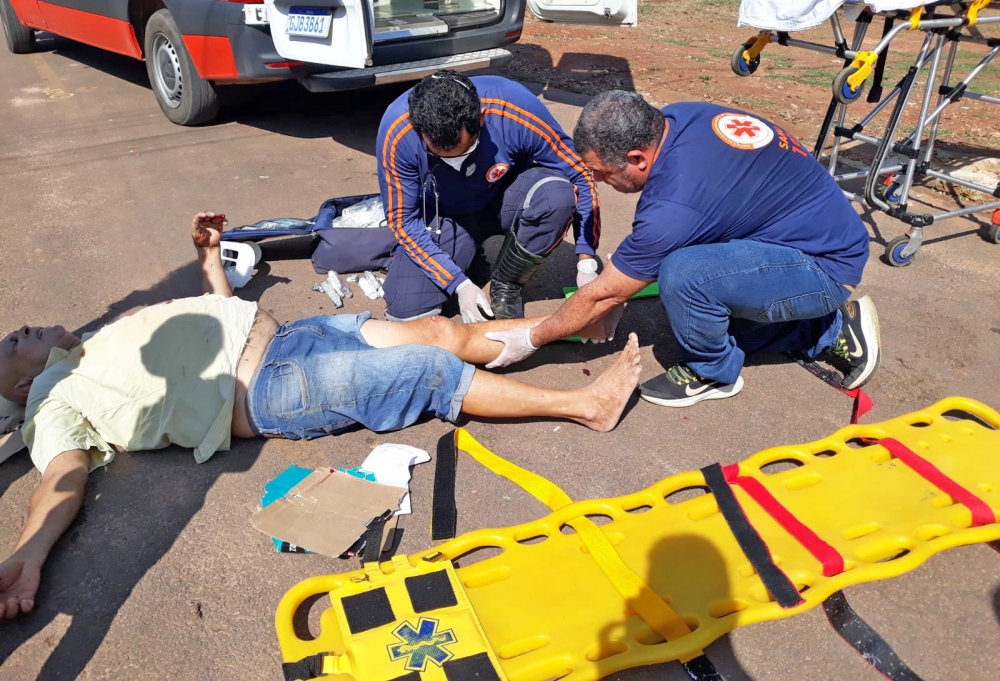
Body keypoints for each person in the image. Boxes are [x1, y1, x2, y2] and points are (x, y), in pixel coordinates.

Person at [0, 212, 639, 621]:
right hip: (276, 387)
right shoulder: (54, 399)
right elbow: (63, 474)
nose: (18, 329)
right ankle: (585, 406)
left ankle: (567, 326)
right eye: (11, 345)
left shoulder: (95, 343)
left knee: (440, 333)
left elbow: (219, 316)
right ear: (23, 384)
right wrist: (29, 555)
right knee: (431, 373)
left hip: (294, 336)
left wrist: (210, 259)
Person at [484, 93, 881, 408]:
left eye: (604, 173)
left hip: (822, 267)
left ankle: (714, 372)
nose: (600, 183)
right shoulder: (676, 120)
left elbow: (609, 288)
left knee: (685, 278)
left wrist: (533, 338)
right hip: (805, 234)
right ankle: (825, 328)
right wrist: (619, 288)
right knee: (708, 319)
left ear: (637, 157)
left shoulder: (675, 205)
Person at [376, 70, 601, 322]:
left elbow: (580, 172)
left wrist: (586, 262)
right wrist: (458, 284)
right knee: (407, 313)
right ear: (419, 133)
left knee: (557, 196)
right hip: (445, 217)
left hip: (503, 198)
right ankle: (468, 258)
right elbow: (403, 220)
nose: (455, 164)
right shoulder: (398, 129)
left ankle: (507, 283)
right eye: (440, 155)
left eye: (464, 151)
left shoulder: (511, 107)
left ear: (481, 119)